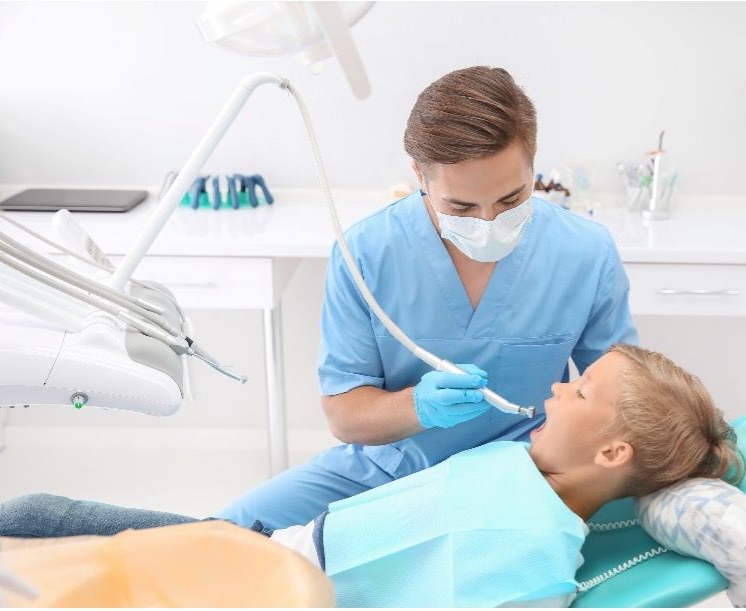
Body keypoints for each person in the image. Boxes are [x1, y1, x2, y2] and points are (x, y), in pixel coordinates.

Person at [0, 344, 743, 607]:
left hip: (269, 587)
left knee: (40, 535)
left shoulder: (540, 559)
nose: (554, 389)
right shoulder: (519, 458)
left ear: (613, 453)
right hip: (260, 547)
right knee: (34, 518)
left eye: (577, 392)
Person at [213, 65, 638, 530]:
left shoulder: (584, 253)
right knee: (214, 540)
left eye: (511, 199)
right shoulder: (366, 253)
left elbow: (628, 393)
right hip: (387, 470)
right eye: (461, 206)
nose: (489, 221)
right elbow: (345, 415)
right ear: (419, 174)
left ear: (532, 165)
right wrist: (416, 406)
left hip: (522, 476)